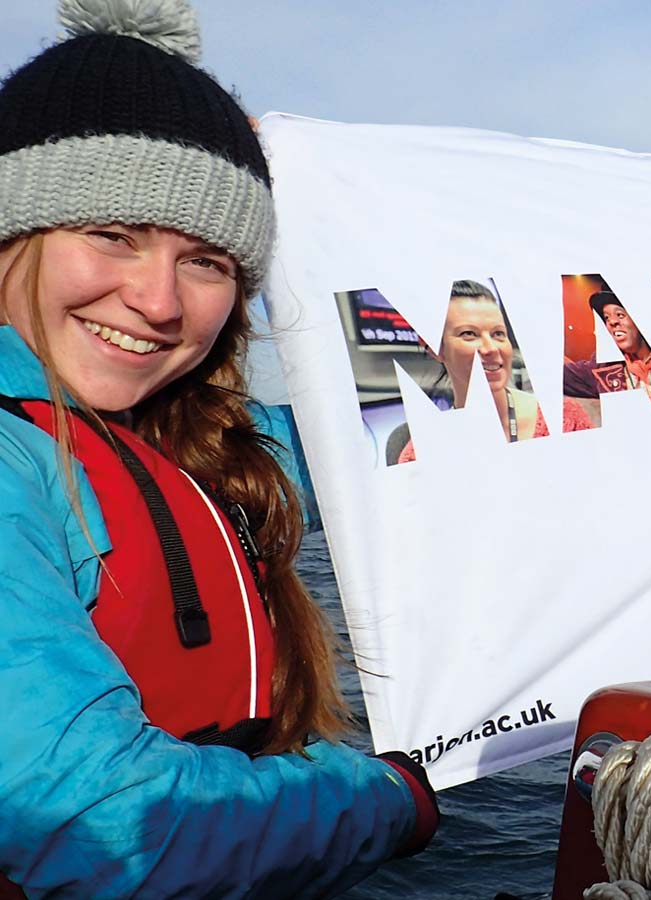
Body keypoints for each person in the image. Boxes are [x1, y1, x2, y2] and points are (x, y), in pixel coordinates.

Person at [0, 3, 439, 896]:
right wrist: (389, 799)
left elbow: (410, 417)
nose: (159, 301)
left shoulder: (199, 446)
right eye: (113, 235)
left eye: (208, 262)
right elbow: (107, 828)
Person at [398, 280, 590, 461]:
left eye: (498, 334)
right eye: (469, 334)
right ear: (434, 349)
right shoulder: (422, 453)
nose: (490, 348)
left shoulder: (565, 419)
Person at [564, 291, 651, 418]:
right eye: (606, 317)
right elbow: (553, 376)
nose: (612, 322)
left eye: (620, 315)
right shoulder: (602, 369)